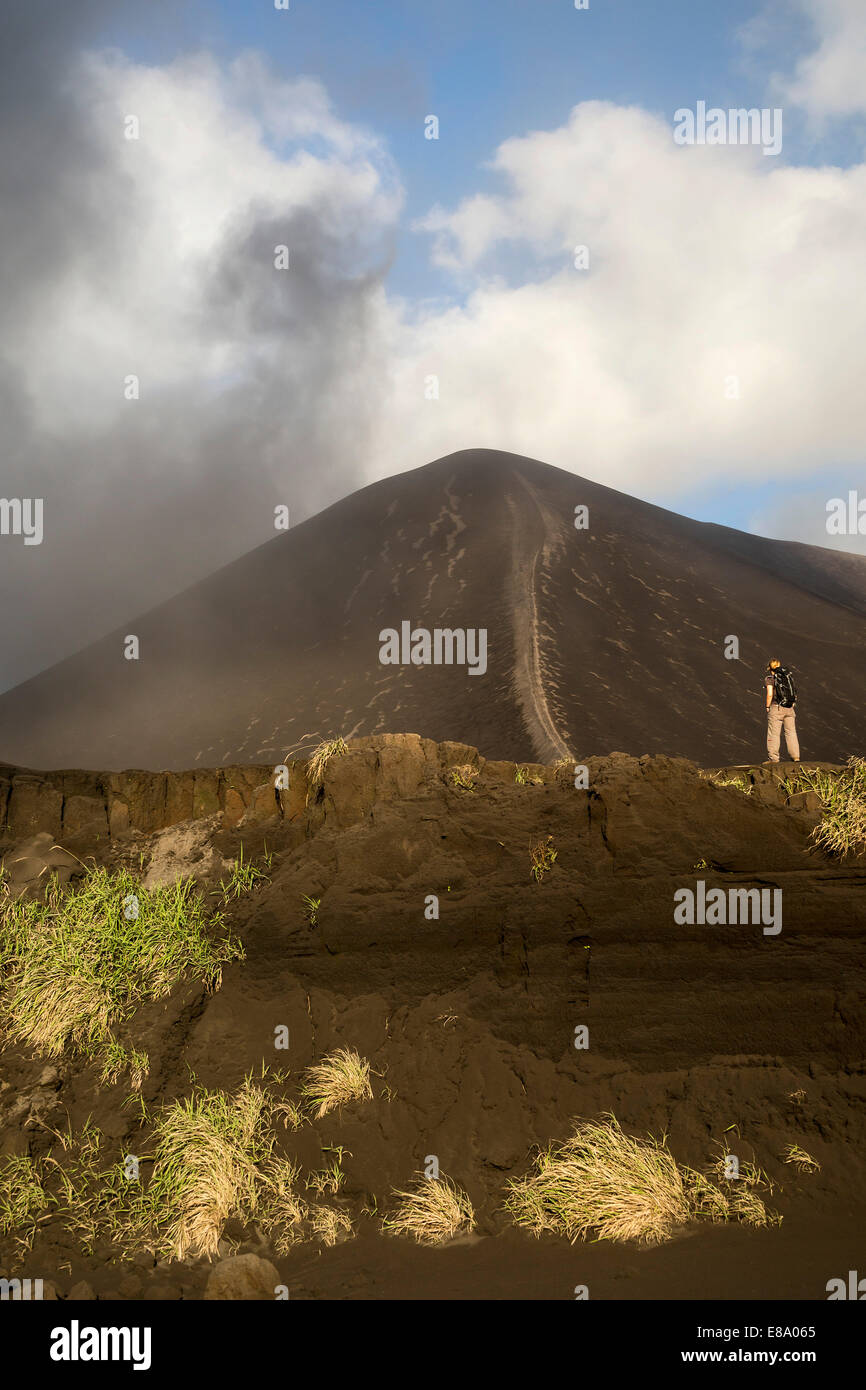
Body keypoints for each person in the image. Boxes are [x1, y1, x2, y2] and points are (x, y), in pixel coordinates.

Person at [765, 658, 800, 764]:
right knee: (791, 732)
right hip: (789, 708)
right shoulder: (787, 677)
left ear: (769, 668)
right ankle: (796, 757)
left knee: (774, 734)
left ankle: (773, 759)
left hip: (776, 708)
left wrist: (767, 706)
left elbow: (770, 694)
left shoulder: (770, 678)